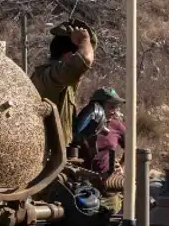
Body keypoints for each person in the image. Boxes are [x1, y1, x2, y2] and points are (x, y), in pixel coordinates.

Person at [31, 20, 95, 155]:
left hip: (56, 158)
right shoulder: (49, 77)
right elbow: (85, 60)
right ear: (69, 56)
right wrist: (84, 39)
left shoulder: (62, 79)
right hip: (45, 159)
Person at [77, 87, 126, 185]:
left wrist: (121, 166)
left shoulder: (117, 126)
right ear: (98, 106)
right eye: (111, 107)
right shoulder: (80, 125)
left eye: (116, 107)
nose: (115, 111)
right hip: (81, 184)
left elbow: (131, 149)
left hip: (108, 184)